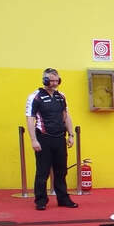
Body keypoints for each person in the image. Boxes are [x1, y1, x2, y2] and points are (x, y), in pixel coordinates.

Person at [25, 68, 78, 210]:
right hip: (43, 138)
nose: (54, 83)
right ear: (45, 80)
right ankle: (41, 201)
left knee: (61, 171)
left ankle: (63, 199)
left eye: (57, 80)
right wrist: (33, 140)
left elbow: (66, 116)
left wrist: (71, 135)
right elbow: (30, 119)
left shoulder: (61, 96)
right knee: (42, 171)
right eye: (51, 80)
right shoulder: (35, 97)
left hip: (60, 138)